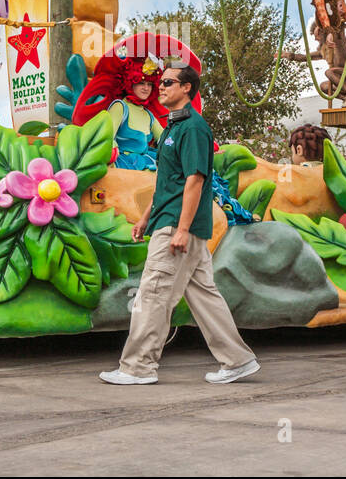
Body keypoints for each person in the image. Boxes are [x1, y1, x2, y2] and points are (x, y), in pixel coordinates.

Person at [100, 61, 259, 386]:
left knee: (153, 292)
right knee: (204, 294)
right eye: (162, 82)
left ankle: (138, 367)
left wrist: (182, 229)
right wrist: (146, 218)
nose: (161, 87)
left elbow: (195, 181)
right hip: (170, 221)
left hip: (177, 226)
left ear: (187, 88)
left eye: (169, 82)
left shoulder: (194, 128)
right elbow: (167, 182)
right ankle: (238, 360)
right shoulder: (173, 127)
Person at [72, 54, 167, 170]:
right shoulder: (120, 107)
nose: (146, 88)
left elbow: (165, 138)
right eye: (141, 82)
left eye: (149, 84)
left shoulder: (149, 115)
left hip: (146, 162)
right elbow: (106, 137)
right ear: (131, 82)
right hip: (123, 165)